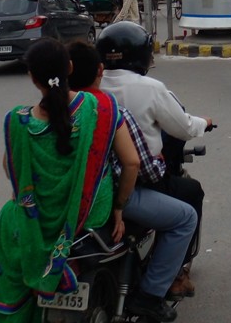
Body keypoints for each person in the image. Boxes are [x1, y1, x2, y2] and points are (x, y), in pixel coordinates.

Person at [0, 38, 139, 322]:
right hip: (89, 214)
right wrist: (119, 208)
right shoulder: (98, 108)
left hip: (36, 221)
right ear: (70, 67)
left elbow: (10, 168)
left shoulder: (19, 121)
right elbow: (131, 162)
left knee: (8, 223)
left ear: (32, 77)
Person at [68, 40, 198, 313]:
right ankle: (151, 296)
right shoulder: (110, 111)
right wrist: (119, 206)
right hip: (105, 199)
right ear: (99, 70)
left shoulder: (41, 112)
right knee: (186, 216)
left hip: (59, 201)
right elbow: (135, 164)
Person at [97, 22, 212, 298]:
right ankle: (174, 274)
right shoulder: (150, 88)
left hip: (95, 182)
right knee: (191, 193)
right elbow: (182, 127)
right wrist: (205, 123)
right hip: (135, 183)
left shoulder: (90, 88)